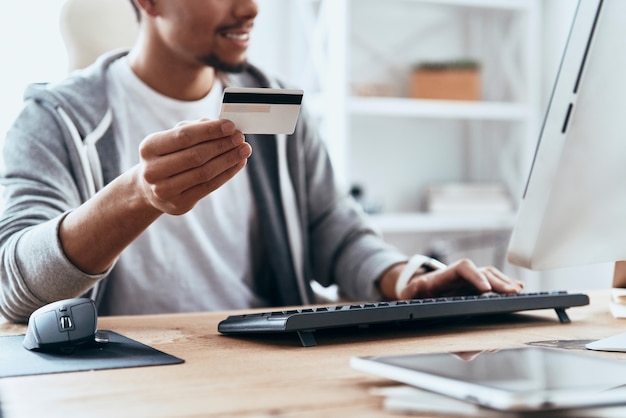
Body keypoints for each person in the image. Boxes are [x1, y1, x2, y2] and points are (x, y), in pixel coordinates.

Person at [0, 0, 523, 323]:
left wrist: (404, 275)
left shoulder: (266, 101)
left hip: (260, 360)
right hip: (124, 374)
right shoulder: (58, 116)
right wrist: (136, 196)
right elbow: (15, 284)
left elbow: (332, 228)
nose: (250, 7)